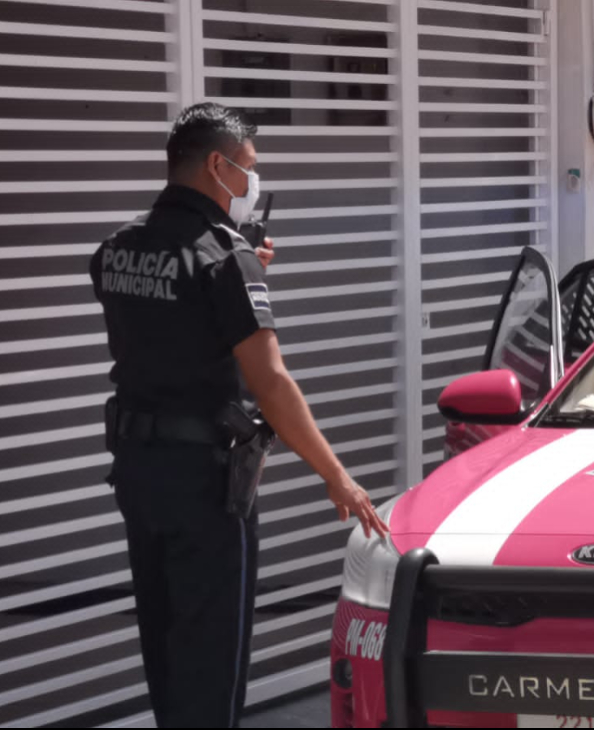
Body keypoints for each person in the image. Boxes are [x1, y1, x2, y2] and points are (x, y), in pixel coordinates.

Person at [89, 102, 388, 728]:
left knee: (167, 651)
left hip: (140, 476)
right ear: (218, 166)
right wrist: (337, 476)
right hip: (206, 487)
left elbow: (167, 325)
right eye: (248, 168)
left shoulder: (118, 248)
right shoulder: (226, 258)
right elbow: (272, 384)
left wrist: (244, 273)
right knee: (212, 666)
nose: (253, 183)